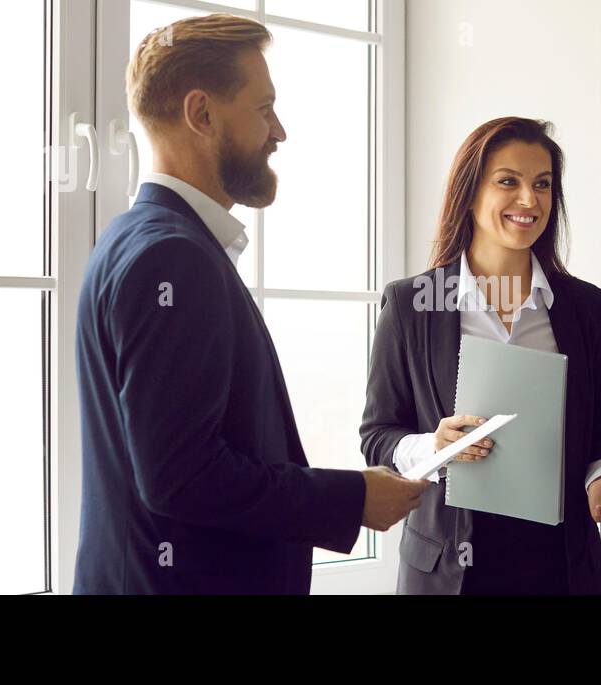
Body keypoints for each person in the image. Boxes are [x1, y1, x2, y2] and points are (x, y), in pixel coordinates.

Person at [74, 14, 427, 595]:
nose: (279, 131)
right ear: (202, 114)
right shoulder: (172, 258)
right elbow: (181, 477)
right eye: (264, 108)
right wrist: (353, 498)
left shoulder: (128, 240)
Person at [360, 117, 601, 595]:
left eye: (542, 184)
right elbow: (378, 436)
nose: (529, 200)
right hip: (447, 570)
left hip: (558, 565)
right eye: (508, 182)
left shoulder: (583, 306)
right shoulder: (411, 304)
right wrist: (433, 447)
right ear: (471, 193)